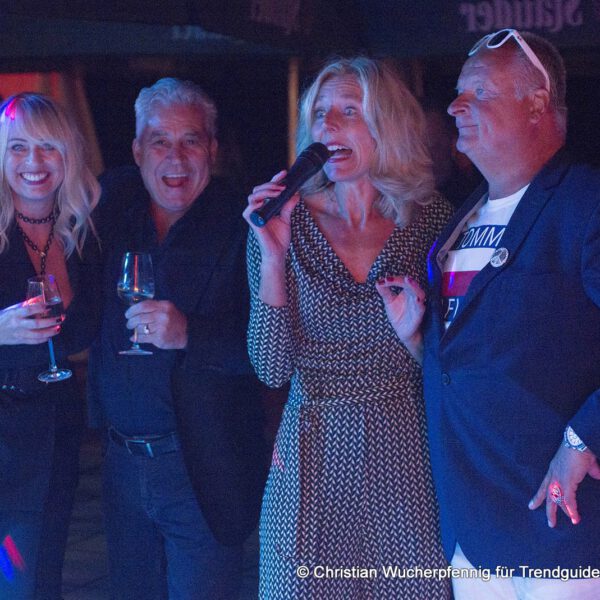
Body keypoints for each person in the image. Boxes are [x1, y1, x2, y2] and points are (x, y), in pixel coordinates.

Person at [244, 57, 453, 599]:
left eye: (348, 111)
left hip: (404, 452)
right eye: (319, 113)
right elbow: (270, 368)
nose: (328, 125)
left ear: (387, 125)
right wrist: (273, 256)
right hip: (311, 451)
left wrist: (413, 338)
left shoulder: (432, 221)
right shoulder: (285, 220)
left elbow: (455, 365)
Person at [416, 29, 600, 598]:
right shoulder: (459, 220)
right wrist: (417, 336)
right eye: (457, 91)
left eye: (478, 92)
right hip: (471, 530)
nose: (455, 106)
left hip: (560, 527)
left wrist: (583, 441)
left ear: (537, 104)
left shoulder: (584, 203)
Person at [87, 78, 266, 599]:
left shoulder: (245, 226)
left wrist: (191, 333)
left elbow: (272, 352)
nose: (176, 158)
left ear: (213, 148)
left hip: (201, 469)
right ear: (137, 151)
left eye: (191, 141)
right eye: (160, 142)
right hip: (121, 465)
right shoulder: (112, 207)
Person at [0, 93, 101, 599]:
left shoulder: (83, 233)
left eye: (48, 147)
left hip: (56, 435)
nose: (33, 162)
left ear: (68, 155)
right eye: (18, 147)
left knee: (42, 581)